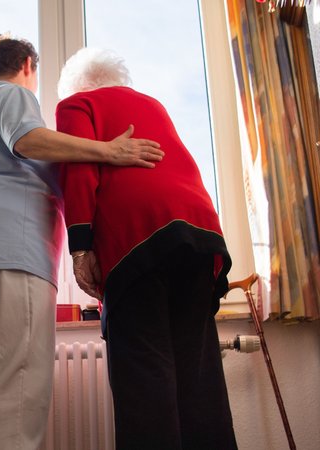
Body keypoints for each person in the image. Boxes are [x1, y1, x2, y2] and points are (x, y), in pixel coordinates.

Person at [0, 35, 163, 450]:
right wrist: (108, 150)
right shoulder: (12, 94)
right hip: (14, 254)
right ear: (29, 64)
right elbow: (28, 140)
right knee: (19, 393)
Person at [56, 47, 237, 450]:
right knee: (199, 378)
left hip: (136, 242)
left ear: (75, 86)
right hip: (199, 237)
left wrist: (81, 247)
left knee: (145, 379)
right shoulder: (151, 105)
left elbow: (79, 171)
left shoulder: (76, 105)